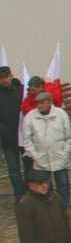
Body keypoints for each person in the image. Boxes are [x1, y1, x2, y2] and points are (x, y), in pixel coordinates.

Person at [21, 93, 71, 205]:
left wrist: (65, 153)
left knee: (63, 184)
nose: (39, 105)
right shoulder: (30, 117)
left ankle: (63, 206)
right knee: (45, 187)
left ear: (50, 102)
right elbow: (27, 140)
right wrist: (35, 155)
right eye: (38, 103)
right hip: (41, 159)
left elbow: (69, 137)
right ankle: (48, 207)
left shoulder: (61, 114)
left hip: (59, 157)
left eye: (42, 103)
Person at [0, 66, 23, 199]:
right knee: (14, 170)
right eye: (1, 78)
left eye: (6, 77)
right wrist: (5, 131)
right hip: (8, 139)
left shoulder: (20, 90)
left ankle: (31, 194)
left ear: (11, 76)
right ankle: (20, 196)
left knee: (29, 167)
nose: (4, 80)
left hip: (24, 137)